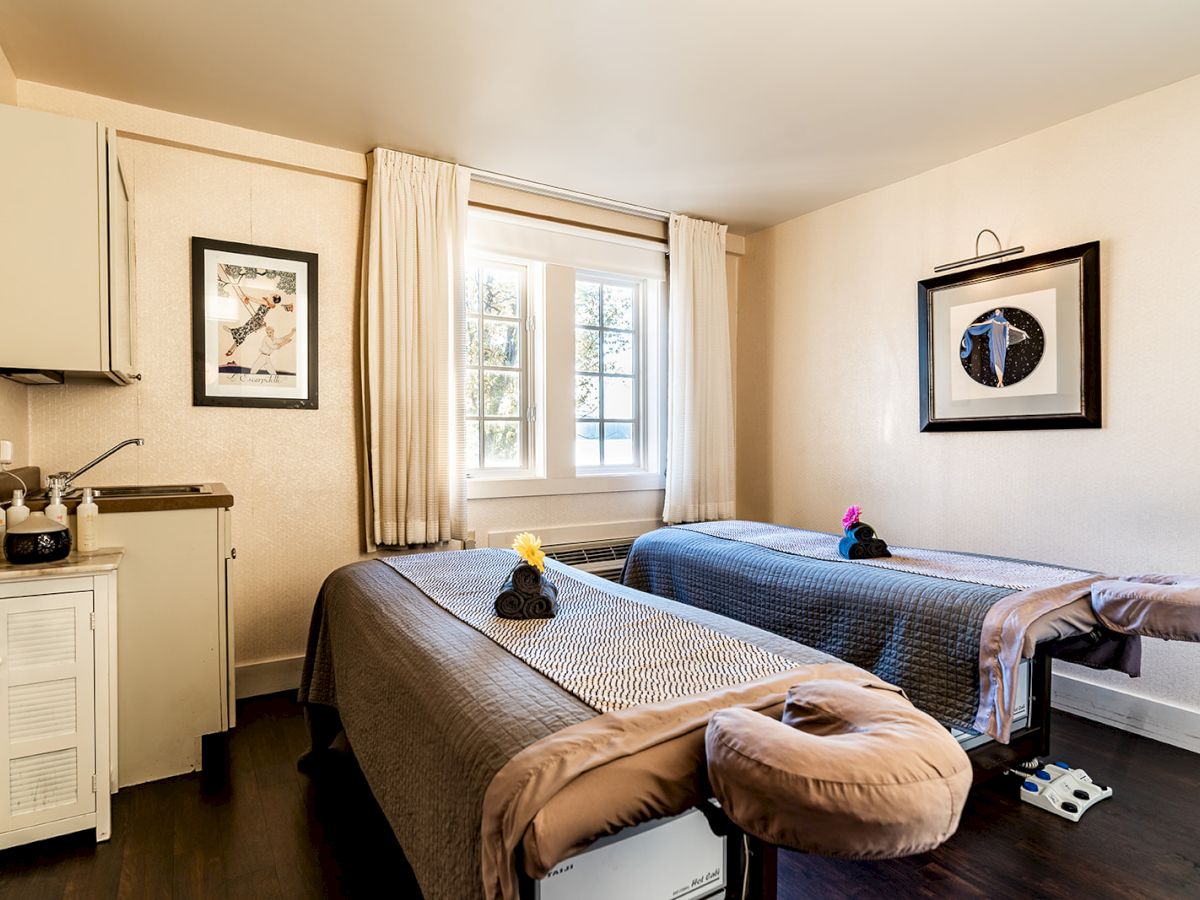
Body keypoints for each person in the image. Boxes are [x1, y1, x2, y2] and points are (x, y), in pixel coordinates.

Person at [960, 309, 1028, 387]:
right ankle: (1000, 381)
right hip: (995, 340)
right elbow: (983, 324)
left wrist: (1023, 331)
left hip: (1001, 340)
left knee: (1000, 359)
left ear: (1000, 313)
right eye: (996, 312)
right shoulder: (994, 320)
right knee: (997, 359)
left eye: (998, 311)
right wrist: (972, 325)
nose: (996, 313)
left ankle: (1000, 381)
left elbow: (1012, 327)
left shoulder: (1004, 321)